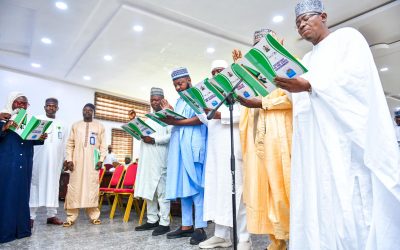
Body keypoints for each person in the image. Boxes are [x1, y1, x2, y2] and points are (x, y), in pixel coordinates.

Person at [274, 0, 400, 249]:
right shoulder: (307, 58)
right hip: (316, 150)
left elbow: (355, 78)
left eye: (306, 19)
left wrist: (310, 85)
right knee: (320, 203)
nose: (301, 25)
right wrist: (267, 96)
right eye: (298, 23)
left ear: (323, 16)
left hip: (346, 147)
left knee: (350, 208)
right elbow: (299, 101)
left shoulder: (347, 38)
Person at [234, 29, 293, 250]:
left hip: (280, 136)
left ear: (277, 44)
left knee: (282, 189)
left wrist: (262, 103)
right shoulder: (253, 73)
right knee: (263, 191)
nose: (261, 49)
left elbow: (293, 99)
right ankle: (275, 242)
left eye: (265, 45)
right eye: (257, 46)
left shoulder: (289, 66)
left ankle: (295, 238)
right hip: (256, 135)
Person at [200, 60, 251, 250]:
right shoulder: (210, 96)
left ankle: (244, 239)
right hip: (215, 153)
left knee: (238, 194)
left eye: (220, 71)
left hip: (234, 149)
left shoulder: (239, 90)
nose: (216, 74)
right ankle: (221, 236)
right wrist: (201, 110)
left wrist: (220, 115)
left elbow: (247, 113)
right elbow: (208, 121)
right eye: (213, 72)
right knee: (218, 194)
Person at [161, 67, 208, 245]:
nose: (178, 88)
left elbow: (201, 118)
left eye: (180, 83)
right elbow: (178, 118)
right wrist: (169, 112)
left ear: (188, 79)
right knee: (183, 188)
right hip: (179, 147)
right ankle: (186, 225)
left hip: (193, 146)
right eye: (175, 85)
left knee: (196, 187)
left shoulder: (197, 94)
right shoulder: (180, 100)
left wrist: (176, 121)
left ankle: (200, 227)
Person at [0, 92, 46, 243]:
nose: (21, 106)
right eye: (18, 103)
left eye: (24, 104)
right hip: (7, 166)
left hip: (25, 164)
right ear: (11, 103)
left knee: (22, 197)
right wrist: (5, 127)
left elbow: (30, 141)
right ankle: (5, 233)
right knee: (7, 197)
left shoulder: (28, 122)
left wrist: (39, 137)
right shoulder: (1, 119)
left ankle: (22, 231)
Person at [134, 87, 172, 236]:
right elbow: (143, 135)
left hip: (161, 158)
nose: (154, 102)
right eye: (152, 100)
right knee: (149, 190)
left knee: (162, 192)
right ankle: (152, 220)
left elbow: (171, 136)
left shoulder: (168, 116)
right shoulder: (147, 118)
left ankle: (164, 223)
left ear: (162, 100)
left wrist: (154, 140)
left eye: (157, 100)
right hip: (147, 159)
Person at [63, 103, 107, 227]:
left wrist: (101, 159)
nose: (86, 112)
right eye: (84, 110)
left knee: (92, 188)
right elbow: (70, 144)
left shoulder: (99, 126)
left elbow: (103, 145)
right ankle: (71, 217)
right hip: (76, 162)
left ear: (93, 112)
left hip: (93, 162)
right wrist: (69, 159)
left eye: (89, 110)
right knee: (74, 188)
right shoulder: (76, 126)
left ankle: (94, 216)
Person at [29, 98, 67, 227]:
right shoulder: (37, 120)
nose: (51, 108)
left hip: (54, 163)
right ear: (44, 107)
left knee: (53, 186)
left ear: (57, 108)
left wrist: (66, 159)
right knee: (35, 185)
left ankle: (51, 215)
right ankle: (30, 217)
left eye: (54, 106)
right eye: (49, 106)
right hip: (38, 160)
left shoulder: (62, 124)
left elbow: (65, 144)